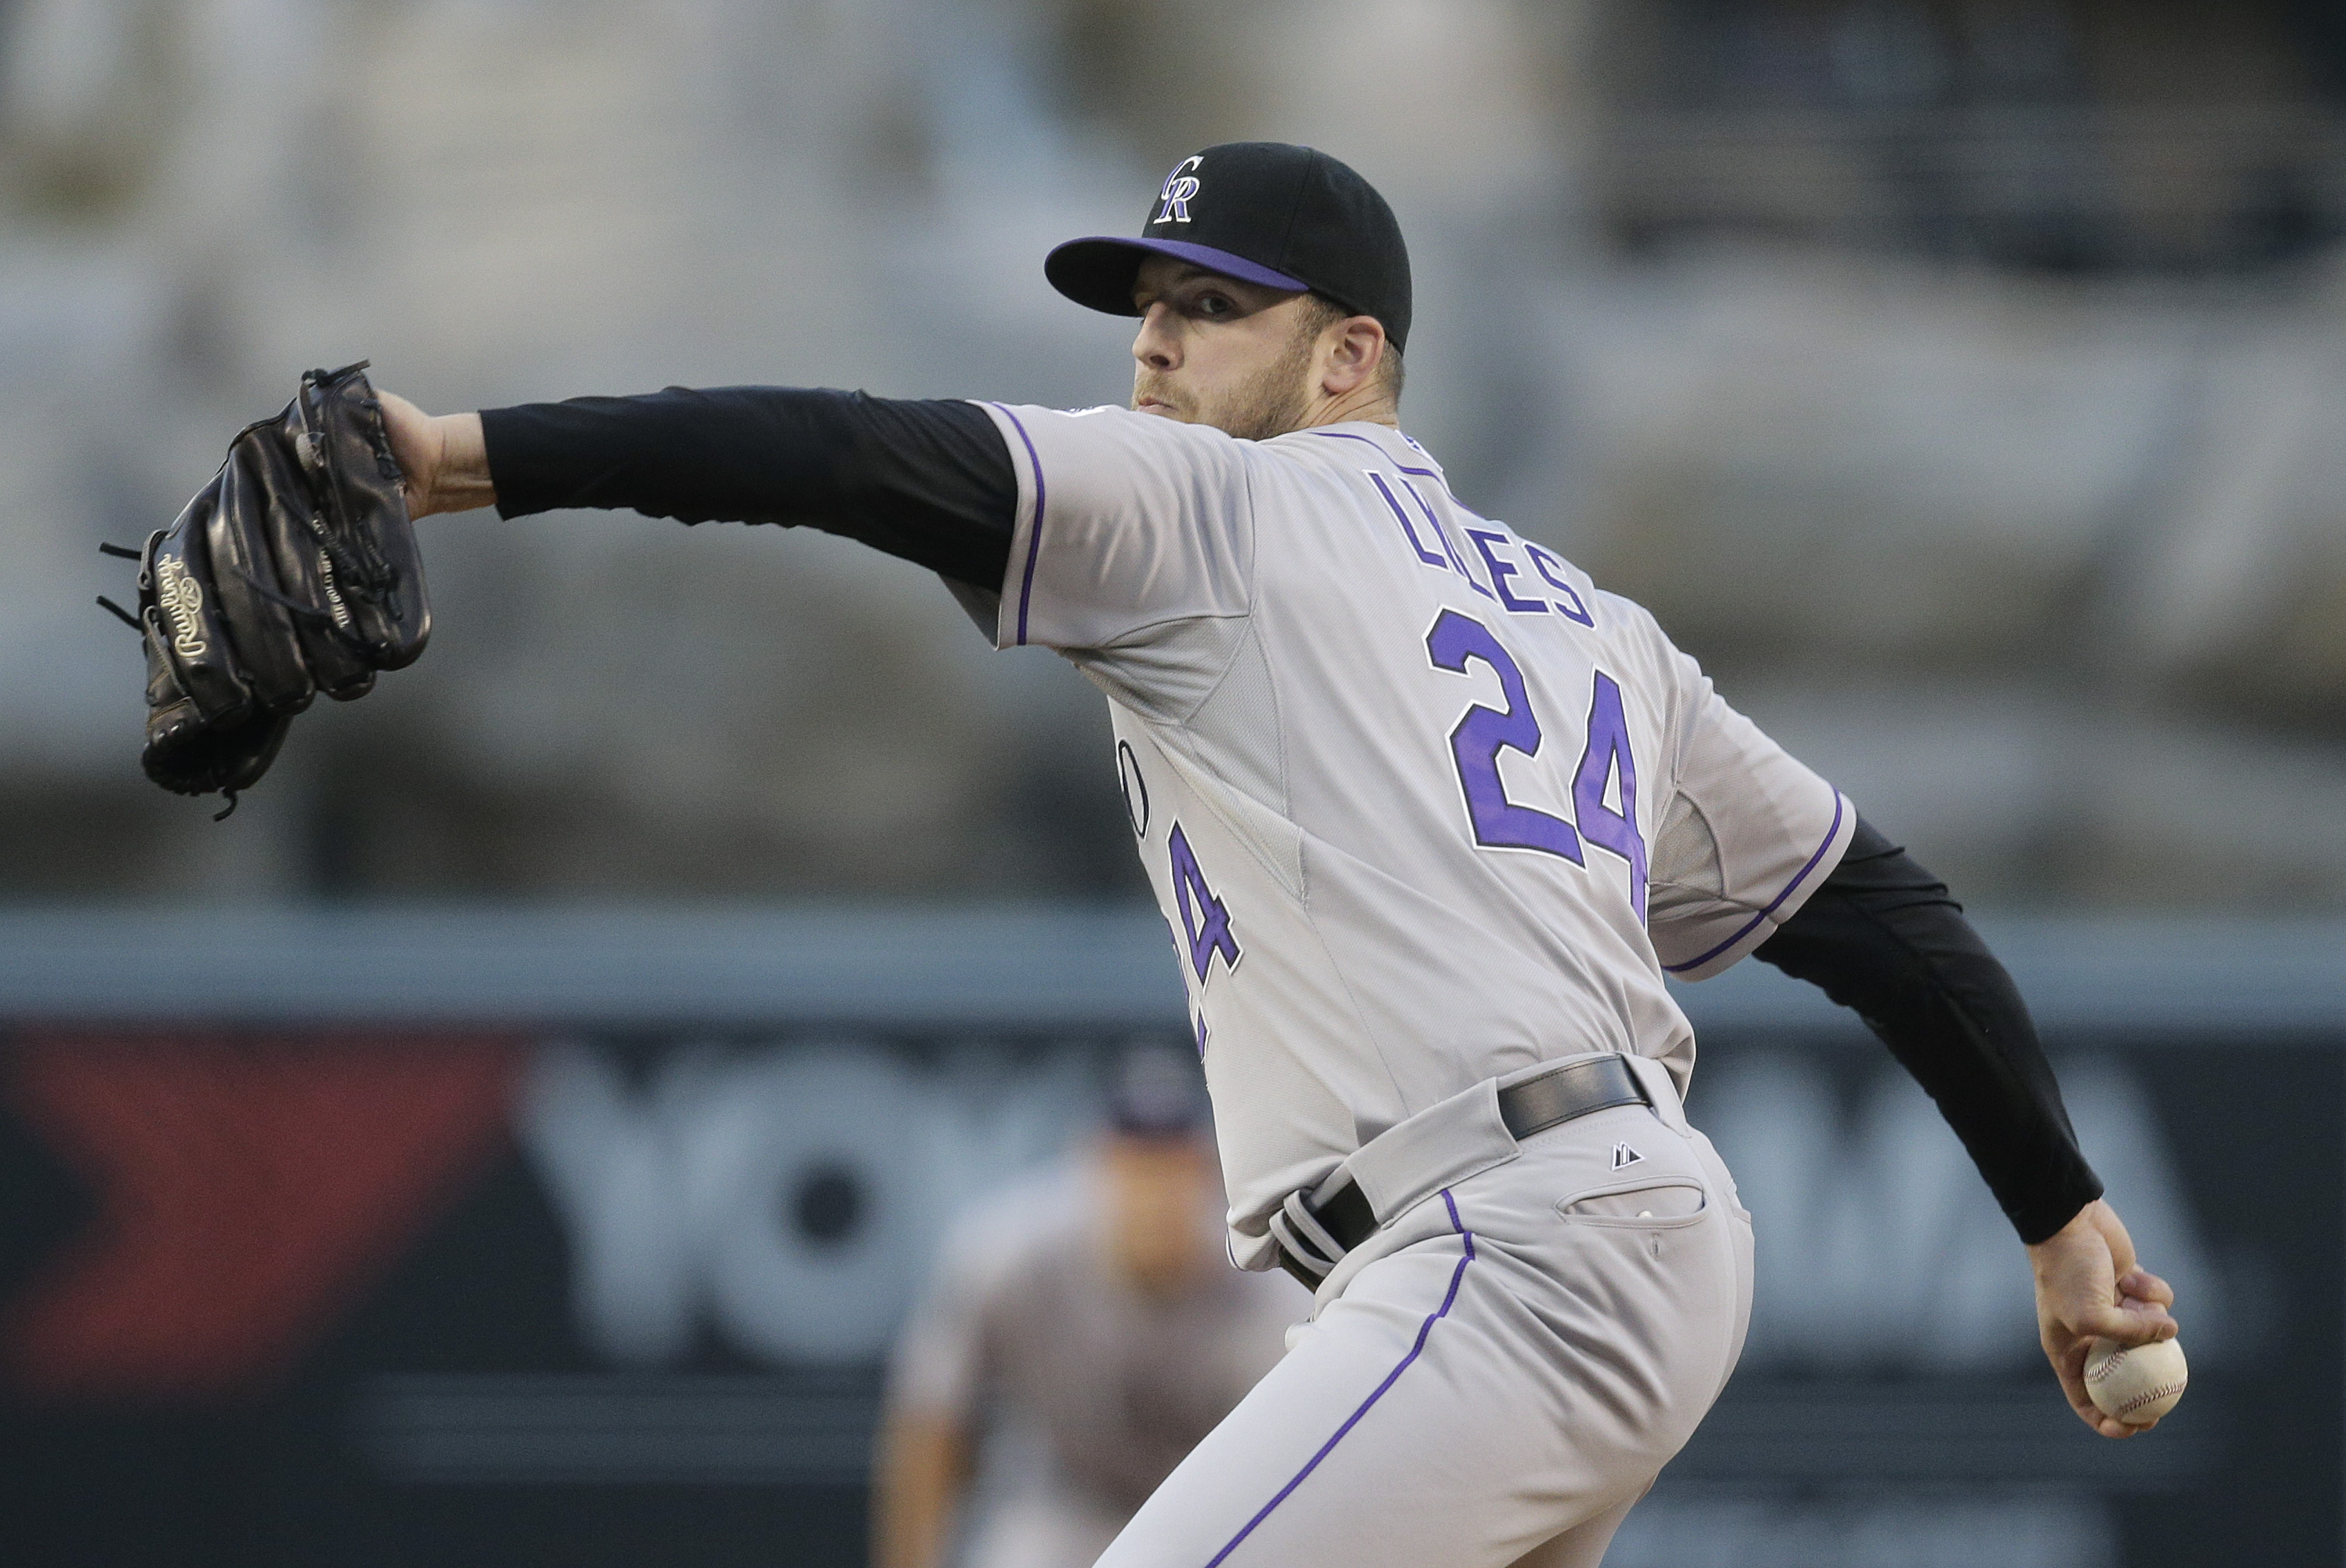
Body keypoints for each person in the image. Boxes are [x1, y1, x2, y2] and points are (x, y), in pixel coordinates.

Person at [379, 141, 2180, 1567]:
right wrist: (2062, 1213)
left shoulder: (1220, 503)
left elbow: (851, 453)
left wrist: (465, 459)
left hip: (1508, 1246)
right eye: (1143, 303)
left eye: (1213, 305)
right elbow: (1882, 913)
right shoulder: (1591, 627)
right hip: (1610, 1237)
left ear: (1350, 357)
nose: (1153, 344)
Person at [873, 1047, 1297, 1568]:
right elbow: (931, 1418)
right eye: (1136, 1165)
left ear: (1210, 1176)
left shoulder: (1261, 1284)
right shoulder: (1014, 1254)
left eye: (1173, 1167)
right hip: (1063, 1511)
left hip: (1208, 1516)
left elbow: (1301, 1459)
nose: (1154, 1192)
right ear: (1094, 1163)